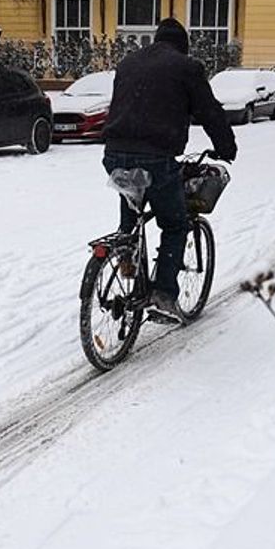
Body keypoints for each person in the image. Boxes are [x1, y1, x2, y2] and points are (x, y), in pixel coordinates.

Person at [101, 17, 238, 324]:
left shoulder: (128, 64)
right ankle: (163, 294)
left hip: (115, 154)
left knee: (132, 211)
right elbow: (209, 112)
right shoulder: (186, 67)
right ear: (182, 46)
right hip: (156, 158)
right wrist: (226, 147)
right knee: (175, 224)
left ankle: (127, 255)